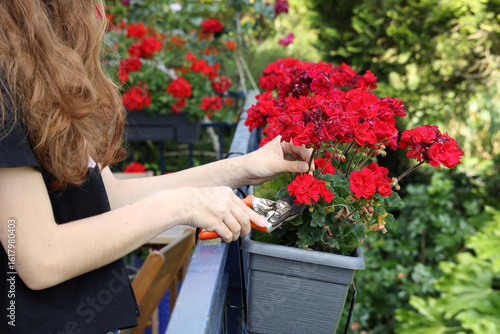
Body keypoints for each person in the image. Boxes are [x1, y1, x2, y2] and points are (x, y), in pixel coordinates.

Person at [0, 1, 312, 333]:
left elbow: (112, 196)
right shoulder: (5, 89)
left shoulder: (35, 74)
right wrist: (181, 205)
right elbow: (39, 258)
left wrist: (245, 167)